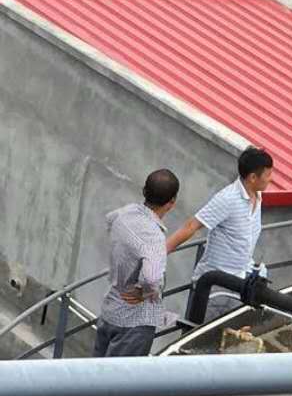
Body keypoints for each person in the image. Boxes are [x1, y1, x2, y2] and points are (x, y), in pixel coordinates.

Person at [166, 146, 274, 322]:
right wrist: (159, 252)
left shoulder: (257, 196)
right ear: (253, 178)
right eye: (268, 175)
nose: (271, 179)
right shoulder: (228, 199)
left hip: (239, 281)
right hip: (213, 287)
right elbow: (192, 225)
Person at [95, 168, 180, 358]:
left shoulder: (124, 214)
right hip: (134, 322)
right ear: (171, 202)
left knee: (96, 374)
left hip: (111, 308)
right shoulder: (154, 236)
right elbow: (152, 277)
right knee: (120, 382)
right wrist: (146, 291)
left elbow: (109, 220)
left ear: (144, 191)